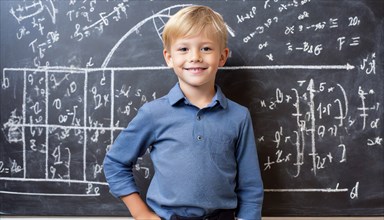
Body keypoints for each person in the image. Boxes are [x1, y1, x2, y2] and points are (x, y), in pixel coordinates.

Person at [103, 5, 264, 220]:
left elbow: (250, 184)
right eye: (184, 49)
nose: (195, 57)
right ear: (169, 57)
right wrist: (141, 214)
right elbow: (115, 163)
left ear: (222, 56)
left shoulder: (238, 116)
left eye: (206, 48)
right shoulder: (154, 113)